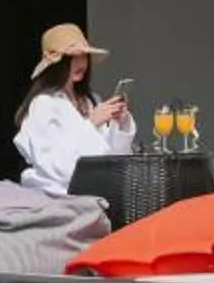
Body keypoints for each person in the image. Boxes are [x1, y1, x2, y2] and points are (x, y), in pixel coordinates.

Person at [12, 22, 133, 194]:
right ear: (57, 64)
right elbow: (54, 165)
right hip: (57, 200)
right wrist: (91, 123)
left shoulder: (91, 100)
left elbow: (112, 158)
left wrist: (120, 125)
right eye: (72, 57)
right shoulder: (44, 105)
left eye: (84, 56)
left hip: (98, 195)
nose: (81, 62)